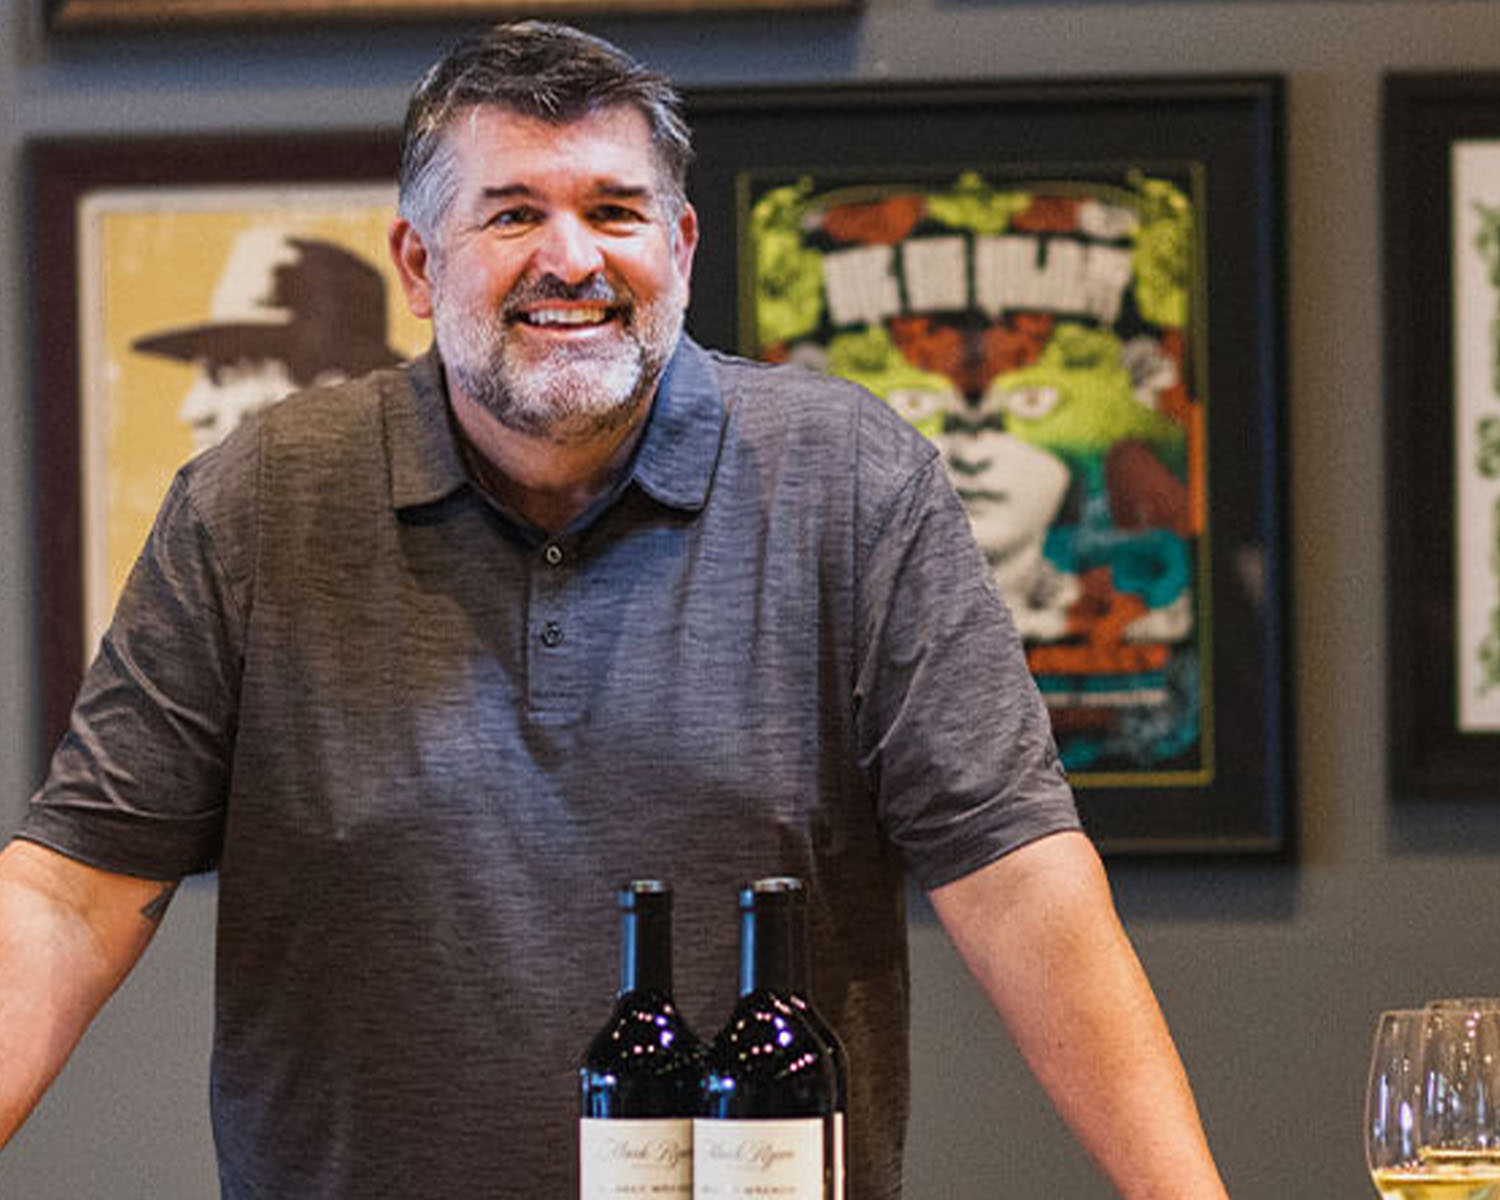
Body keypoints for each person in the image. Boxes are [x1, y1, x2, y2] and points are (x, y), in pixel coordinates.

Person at [0, 20, 1232, 1199]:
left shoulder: (853, 481)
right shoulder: (256, 500)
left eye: (614, 210)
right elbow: (69, 895)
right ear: (419, 267)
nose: (572, 258)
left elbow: (1018, 880)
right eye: (513, 214)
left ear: (683, 250)